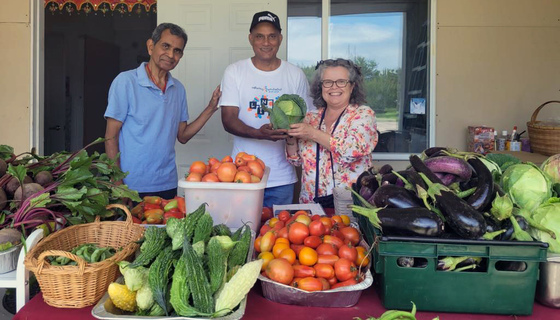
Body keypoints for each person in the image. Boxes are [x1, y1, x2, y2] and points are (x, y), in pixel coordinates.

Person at [104, 23, 221, 201]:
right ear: (151, 46)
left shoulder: (178, 89)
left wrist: (211, 108)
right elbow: (110, 137)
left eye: (177, 51)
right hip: (131, 185)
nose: (171, 55)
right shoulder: (126, 82)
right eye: (166, 46)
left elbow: (182, 136)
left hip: (167, 183)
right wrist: (118, 182)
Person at [219, 11, 313, 207]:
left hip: (282, 178)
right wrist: (258, 134)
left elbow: (307, 119)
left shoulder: (295, 74)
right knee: (243, 232)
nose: (266, 42)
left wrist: (290, 132)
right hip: (243, 175)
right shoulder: (235, 71)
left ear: (280, 38)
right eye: (260, 36)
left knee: (278, 234)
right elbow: (228, 119)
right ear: (251, 38)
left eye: (272, 36)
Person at [285, 58, 378, 205]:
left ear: (352, 86)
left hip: (349, 205)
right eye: (327, 82)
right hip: (310, 204)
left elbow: (351, 151)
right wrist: (290, 138)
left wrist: (312, 133)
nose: (334, 87)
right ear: (320, 86)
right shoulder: (311, 117)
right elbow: (296, 160)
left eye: (341, 81)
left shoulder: (363, 115)